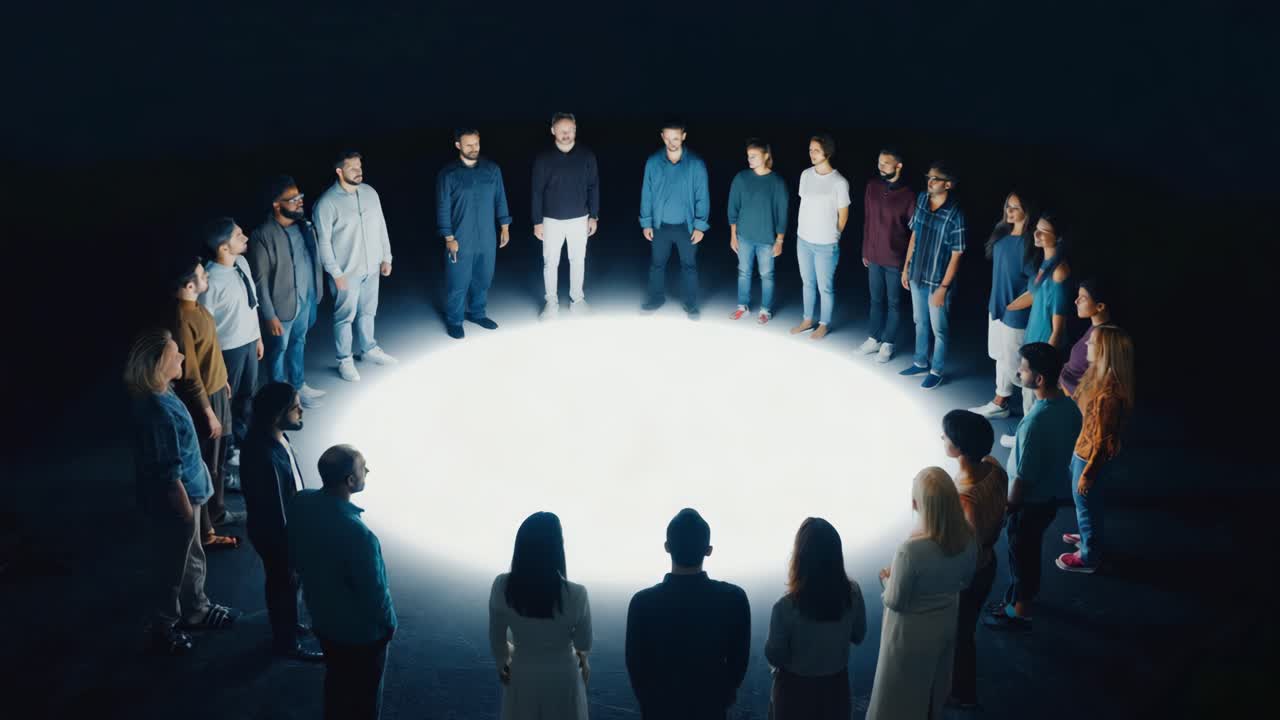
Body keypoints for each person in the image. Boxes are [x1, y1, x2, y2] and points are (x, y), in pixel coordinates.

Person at [126, 329, 239, 655]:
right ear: (159, 364)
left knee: (190, 558)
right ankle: (164, 626)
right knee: (173, 566)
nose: (182, 357)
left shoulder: (162, 393)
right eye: (175, 354)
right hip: (180, 500)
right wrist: (186, 512)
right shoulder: (158, 411)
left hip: (189, 493)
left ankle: (196, 610)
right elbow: (167, 470)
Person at [290, 445, 397, 719]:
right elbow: (375, 594)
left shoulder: (301, 502)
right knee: (366, 696)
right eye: (363, 468)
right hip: (362, 634)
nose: (368, 471)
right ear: (350, 481)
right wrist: (390, 625)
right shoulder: (360, 536)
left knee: (336, 682)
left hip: (324, 621)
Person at [983, 343, 1081, 632]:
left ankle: (1019, 611)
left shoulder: (1035, 422)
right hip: (1050, 496)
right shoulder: (1069, 408)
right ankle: (1021, 600)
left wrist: (1008, 508)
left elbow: (1023, 474)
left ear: (1038, 379)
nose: (1018, 371)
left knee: (1021, 555)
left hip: (1029, 503)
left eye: (1023, 368)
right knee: (1030, 551)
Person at [866, 467, 976, 720]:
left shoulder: (910, 551)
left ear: (917, 504)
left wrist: (886, 579)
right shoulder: (969, 537)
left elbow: (895, 601)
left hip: (909, 634)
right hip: (946, 623)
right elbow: (966, 581)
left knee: (899, 695)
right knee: (932, 690)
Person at [626, 508, 750, 719]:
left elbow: (635, 664)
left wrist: (651, 703)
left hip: (659, 710)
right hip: (709, 708)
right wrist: (721, 696)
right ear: (708, 550)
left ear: (667, 547)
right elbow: (738, 663)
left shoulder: (642, 603)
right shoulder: (734, 599)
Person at [239, 381, 324, 661]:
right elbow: (275, 510)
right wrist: (297, 538)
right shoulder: (265, 455)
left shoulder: (275, 437)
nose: (301, 411)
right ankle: (286, 642)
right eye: (295, 407)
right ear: (277, 414)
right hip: (279, 535)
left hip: (283, 531)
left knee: (287, 582)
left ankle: (288, 626)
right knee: (283, 584)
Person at [170, 256, 244, 550]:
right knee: (207, 464)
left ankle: (218, 510)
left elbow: (209, 353)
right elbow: (190, 375)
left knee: (220, 456)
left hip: (217, 391)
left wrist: (223, 377)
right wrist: (208, 412)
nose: (208, 278)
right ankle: (206, 530)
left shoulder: (199, 308)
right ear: (190, 285)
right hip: (205, 400)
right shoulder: (182, 319)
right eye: (203, 275)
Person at [488, 512, 592, 720]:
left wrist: (503, 661)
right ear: (557, 548)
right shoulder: (577, 594)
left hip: (522, 674)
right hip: (563, 677)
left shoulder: (502, 586)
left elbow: (496, 638)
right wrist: (583, 659)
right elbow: (583, 642)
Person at [763, 517, 866, 720]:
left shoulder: (784, 607)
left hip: (793, 694)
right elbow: (859, 635)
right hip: (836, 690)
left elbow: (775, 656)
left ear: (799, 558)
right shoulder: (852, 594)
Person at [940, 410, 1008, 710]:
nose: (941, 438)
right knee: (965, 629)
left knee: (960, 635)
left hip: (970, 574)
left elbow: (964, 546)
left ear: (957, 447)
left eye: (945, 436)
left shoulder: (962, 497)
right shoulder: (995, 468)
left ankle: (962, 693)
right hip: (989, 562)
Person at [313, 151, 397, 382]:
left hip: (372, 268)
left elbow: (381, 225)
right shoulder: (326, 203)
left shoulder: (370, 193)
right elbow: (323, 242)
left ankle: (369, 349)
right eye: (353, 168)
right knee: (344, 318)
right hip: (346, 273)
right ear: (339, 171)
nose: (359, 172)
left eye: (360, 167)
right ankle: (345, 361)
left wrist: (386, 257)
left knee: (368, 311)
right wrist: (335, 273)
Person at [1057, 325, 1136, 573]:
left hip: (1089, 457)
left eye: (1092, 343)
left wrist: (1088, 473)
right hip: (1084, 450)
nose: (1087, 346)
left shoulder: (1108, 395)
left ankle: (1089, 556)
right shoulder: (1098, 379)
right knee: (1090, 504)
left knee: (1086, 506)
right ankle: (1088, 537)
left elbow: (1102, 441)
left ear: (1105, 351)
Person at [248, 175, 327, 408]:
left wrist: (316, 293)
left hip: (306, 299)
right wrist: (269, 315)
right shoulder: (262, 235)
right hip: (282, 306)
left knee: (298, 342)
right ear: (276, 204)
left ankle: (299, 386)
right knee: (278, 351)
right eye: (292, 199)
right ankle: (280, 399)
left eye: (300, 197)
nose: (299, 202)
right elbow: (260, 281)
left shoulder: (304, 226)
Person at [199, 218, 263, 489]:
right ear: (224, 247)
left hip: (248, 344)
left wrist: (258, 336)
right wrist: (217, 368)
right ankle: (225, 460)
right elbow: (207, 328)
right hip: (228, 351)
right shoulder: (211, 280)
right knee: (226, 405)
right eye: (239, 236)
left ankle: (240, 448)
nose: (245, 237)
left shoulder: (242, 264)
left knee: (246, 398)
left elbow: (252, 304)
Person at [437, 128, 511, 339]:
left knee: (483, 277)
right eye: (468, 145)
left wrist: (504, 225)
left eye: (476, 144)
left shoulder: (492, 170)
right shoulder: (448, 174)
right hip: (461, 237)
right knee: (458, 281)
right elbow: (442, 207)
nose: (473, 149)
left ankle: (478, 313)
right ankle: (454, 320)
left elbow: (500, 198)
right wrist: (449, 237)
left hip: (487, 235)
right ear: (458, 145)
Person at [1002, 212, 1073, 433]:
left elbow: (1058, 327)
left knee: (1035, 399)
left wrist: (1045, 360)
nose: (1037, 234)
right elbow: (1035, 294)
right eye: (1037, 229)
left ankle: (1029, 437)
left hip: (1043, 345)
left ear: (1058, 238)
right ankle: (1025, 434)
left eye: (1044, 232)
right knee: (1027, 396)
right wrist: (1006, 307)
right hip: (1033, 339)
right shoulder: (1045, 264)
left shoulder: (1059, 272)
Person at [969, 192, 1038, 420]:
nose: (1009, 211)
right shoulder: (1002, 235)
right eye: (1008, 206)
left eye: (1015, 208)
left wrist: (1014, 306)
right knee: (999, 356)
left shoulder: (1029, 244)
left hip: (1015, 315)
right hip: (997, 307)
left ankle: (1031, 420)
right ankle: (1001, 402)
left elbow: (1037, 287)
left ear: (1027, 212)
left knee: (1021, 370)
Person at [899, 161, 966, 390]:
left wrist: (943, 288)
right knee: (920, 321)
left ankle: (936, 370)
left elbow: (957, 255)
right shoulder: (921, 200)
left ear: (948, 184)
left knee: (940, 329)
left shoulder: (955, 214)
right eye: (929, 177)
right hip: (918, 274)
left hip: (938, 281)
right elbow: (914, 235)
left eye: (935, 179)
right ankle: (920, 362)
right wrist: (906, 267)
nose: (930, 182)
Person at [639, 120, 711, 319]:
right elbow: (647, 193)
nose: (672, 142)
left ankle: (690, 303)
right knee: (657, 264)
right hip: (660, 225)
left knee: (689, 265)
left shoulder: (696, 164)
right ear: (662, 136)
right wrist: (646, 222)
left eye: (676, 138)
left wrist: (700, 226)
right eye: (668, 138)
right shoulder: (653, 162)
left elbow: (702, 196)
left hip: (686, 227)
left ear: (684, 136)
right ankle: (656, 298)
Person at [532, 112, 600, 319]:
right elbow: (536, 191)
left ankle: (577, 300)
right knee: (550, 262)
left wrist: (594, 215)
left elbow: (593, 187)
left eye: (569, 130)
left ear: (575, 129)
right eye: (561, 130)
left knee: (578, 260)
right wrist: (537, 221)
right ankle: (551, 302)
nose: (566, 134)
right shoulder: (543, 159)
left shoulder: (587, 156)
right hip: (551, 219)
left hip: (580, 217)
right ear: (553, 130)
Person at [789, 133, 850, 340]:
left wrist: (833, 235)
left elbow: (843, 216)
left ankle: (824, 323)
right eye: (810, 150)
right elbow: (804, 204)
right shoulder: (805, 175)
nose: (811, 153)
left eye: (816, 150)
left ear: (827, 152)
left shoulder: (839, 182)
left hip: (826, 244)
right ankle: (807, 320)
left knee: (825, 286)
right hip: (803, 239)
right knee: (807, 282)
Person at [858, 147, 915, 362]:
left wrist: (907, 264)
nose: (880, 167)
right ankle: (874, 338)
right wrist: (865, 249)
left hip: (894, 259)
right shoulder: (872, 186)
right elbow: (867, 219)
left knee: (893, 303)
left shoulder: (908, 195)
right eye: (879, 162)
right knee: (875, 299)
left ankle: (888, 343)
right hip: (873, 255)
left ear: (898, 166)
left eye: (885, 163)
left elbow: (914, 232)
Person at [727, 138, 787, 324]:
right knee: (743, 272)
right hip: (744, 236)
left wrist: (780, 240)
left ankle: (765, 310)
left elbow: (782, 211)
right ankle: (741, 307)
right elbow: (733, 208)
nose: (749, 159)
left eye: (754, 156)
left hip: (766, 239)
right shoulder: (741, 178)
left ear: (766, 155)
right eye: (748, 156)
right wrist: (733, 235)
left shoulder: (776, 182)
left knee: (767, 275)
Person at [1059, 277, 1115, 397]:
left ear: (1100, 306)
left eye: (1082, 298)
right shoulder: (1094, 328)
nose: (1076, 301)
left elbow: (1096, 383)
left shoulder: (1100, 337)